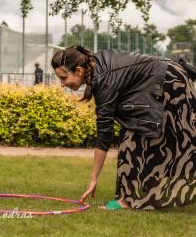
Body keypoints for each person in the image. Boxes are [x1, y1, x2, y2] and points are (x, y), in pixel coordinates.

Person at [51, 45, 196, 210]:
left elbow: (104, 133)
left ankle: (126, 200)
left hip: (170, 82)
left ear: (78, 71)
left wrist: (93, 179)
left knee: (173, 139)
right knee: (133, 137)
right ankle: (128, 198)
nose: (62, 84)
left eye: (63, 78)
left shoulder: (103, 79)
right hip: (165, 77)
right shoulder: (95, 68)